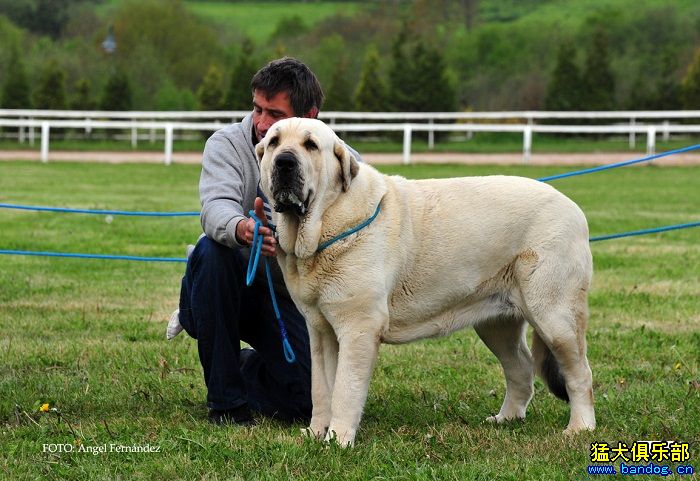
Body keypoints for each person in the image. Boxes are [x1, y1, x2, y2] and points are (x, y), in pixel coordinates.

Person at [167, 57, 361, 426]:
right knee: (213, 251)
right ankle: (226, 404)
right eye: (257, 108)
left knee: (306, 402)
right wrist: (244, 229)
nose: (260, 122)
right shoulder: (226, 145)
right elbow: (215, 209)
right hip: (218, 288)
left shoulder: (339, 159)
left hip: (288, 300)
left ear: (310, 116)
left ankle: (244, 367)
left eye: (274, 113)